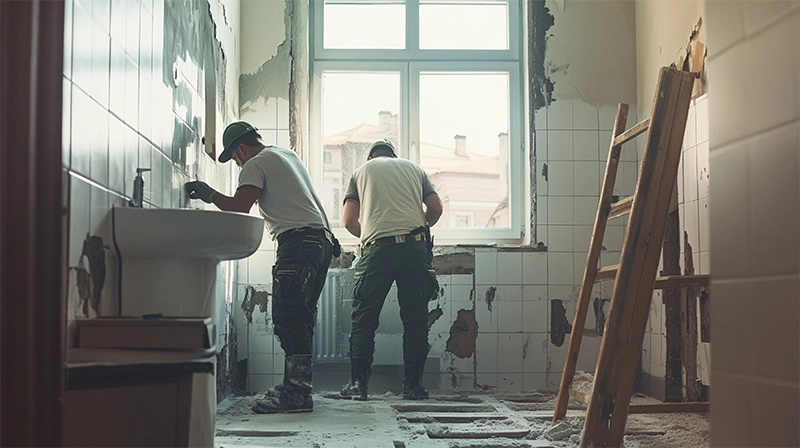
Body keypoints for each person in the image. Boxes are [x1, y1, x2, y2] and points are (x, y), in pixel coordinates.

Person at [185, 121, 339, 414]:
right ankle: (295, 387)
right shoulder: (285, 155)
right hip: (320, 241)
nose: (237, 163)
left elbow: (239, 207)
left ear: (241, 148)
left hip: (298, 242)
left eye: (234, 158)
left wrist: (208, 194)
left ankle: (296, 395)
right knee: (300, 316)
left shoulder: (255, 163)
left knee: (288, 315)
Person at [339, 139, 443, 401]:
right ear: (394, 156)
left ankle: (359, 387)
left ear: (372, 157)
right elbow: (436, 209)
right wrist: (419, 228)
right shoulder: (415, 169)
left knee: (364, 319)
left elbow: (349, 221)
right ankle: (412, 388)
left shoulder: (361, 171)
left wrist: (376, 233)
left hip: (378, 249)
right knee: (415, 320)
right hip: (415, 248)